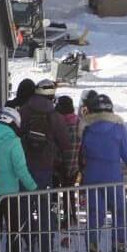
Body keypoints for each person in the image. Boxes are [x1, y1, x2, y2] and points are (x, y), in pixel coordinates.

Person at [79, 93, 127, 252]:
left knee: (95, 213)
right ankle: (119, 247)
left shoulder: (86, 128)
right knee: (120, 211)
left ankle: (92, 249)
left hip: (91, 176)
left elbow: (83, 152)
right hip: (112, 176)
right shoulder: (117, 127)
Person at [19, 79, 75, 252]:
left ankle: (29, 242)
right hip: (45, 168)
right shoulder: (55, 115)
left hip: (24, 167)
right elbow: (66, 143)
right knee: (45, 208)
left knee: (25, 207)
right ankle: (46, 247)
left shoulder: (23, 111)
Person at [0, 107, 36, 252]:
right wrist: (33, 187)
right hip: (10, 195)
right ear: (12, 122)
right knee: (14, 232)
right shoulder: (14, 141)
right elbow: (20, 169)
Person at [52, 95, 82, 227]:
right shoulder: (78, 122)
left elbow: (58, 145)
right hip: (75, 163)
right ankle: (72, 216)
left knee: (59, 191)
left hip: (61, 163)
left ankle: (62, 217)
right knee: (69, 192)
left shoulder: (60, 124)